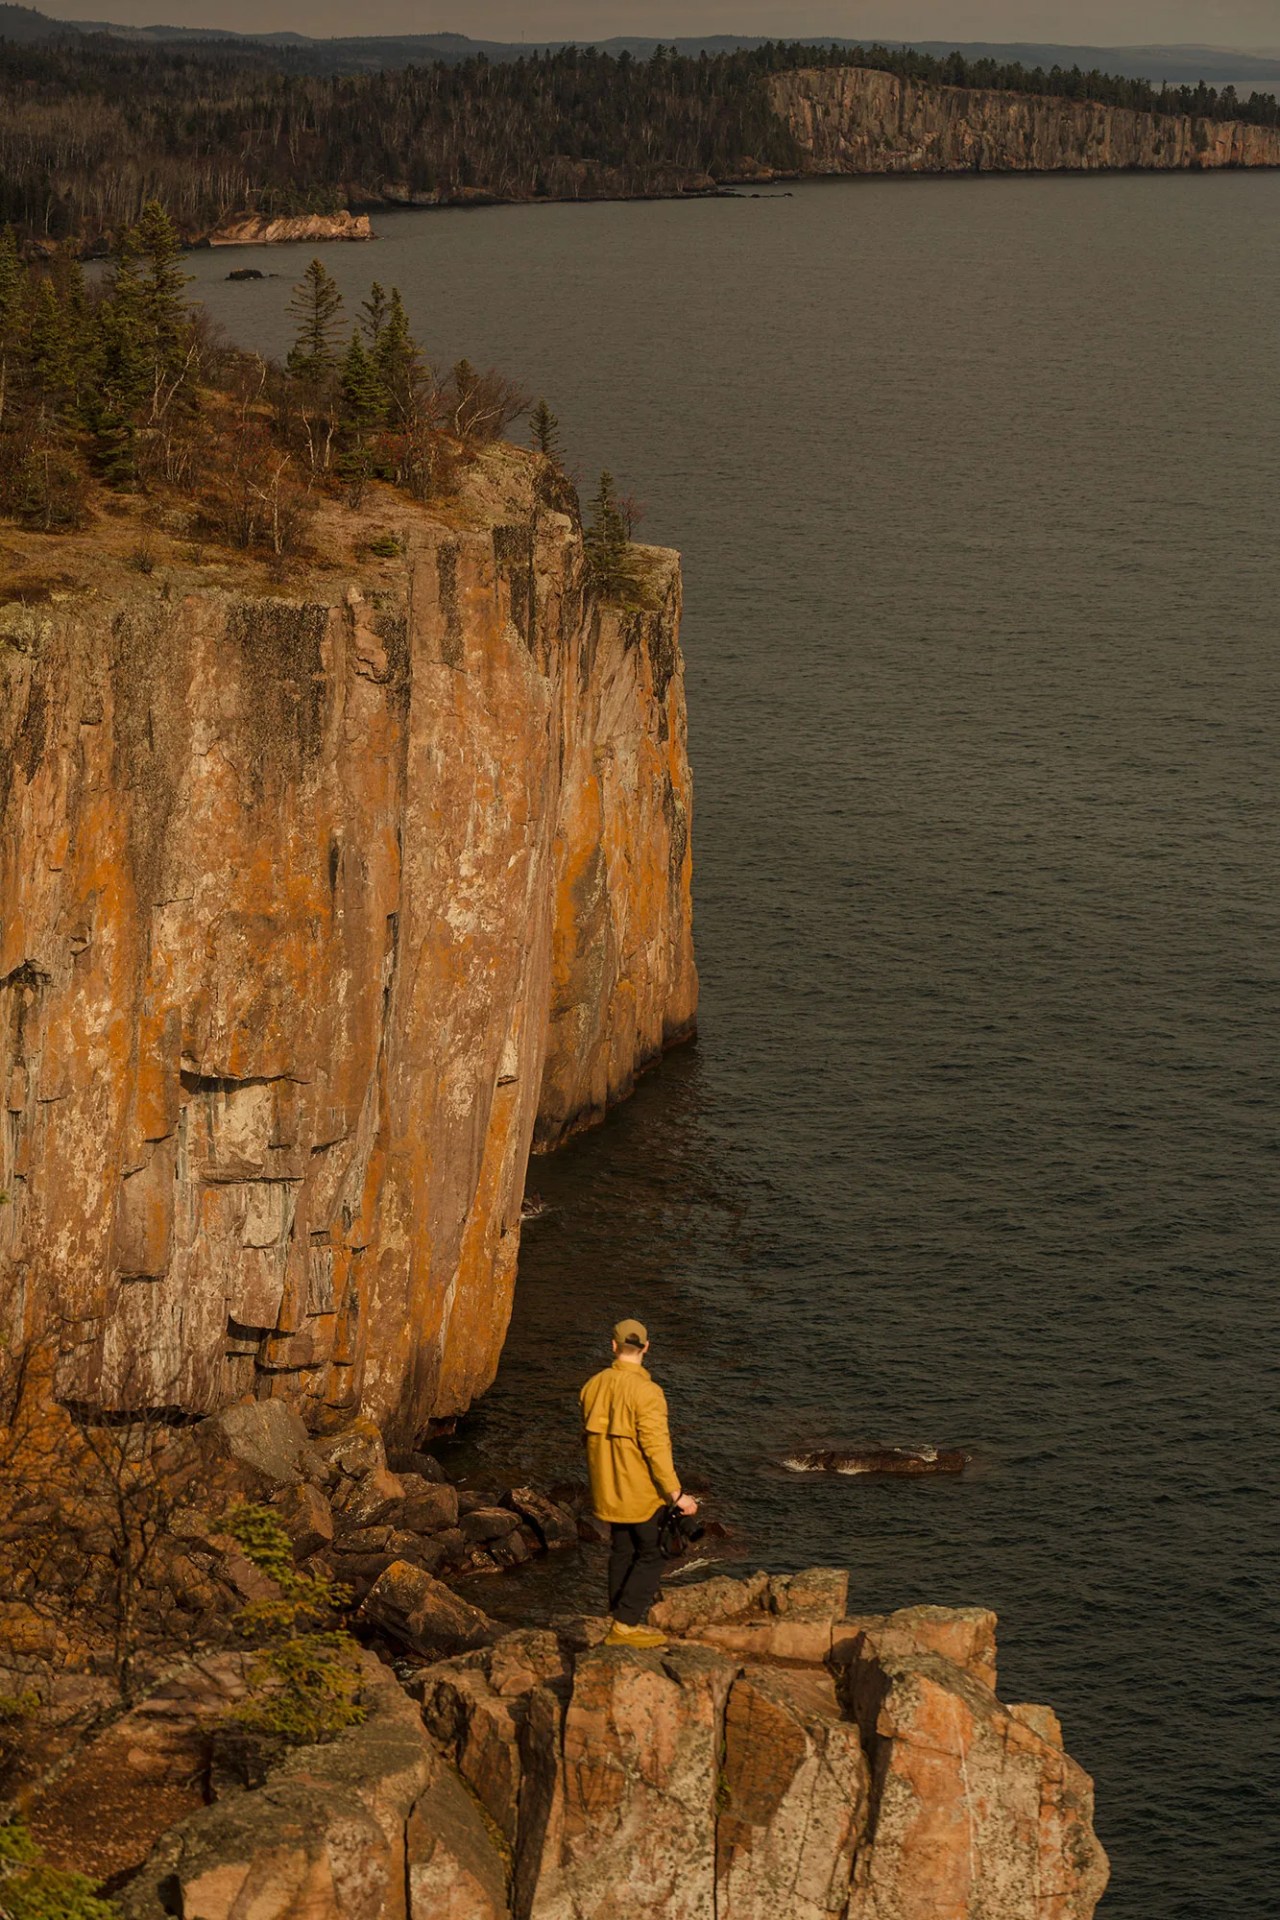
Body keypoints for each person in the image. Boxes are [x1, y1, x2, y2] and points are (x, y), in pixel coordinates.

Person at [579, 1317, 699, 1648]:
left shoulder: (592, 1386)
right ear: (646, 1347)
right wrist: (678, 1496)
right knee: (654, 1554)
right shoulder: (648, 1393)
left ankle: (618, 1621)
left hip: (608, 1491)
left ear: (613, 1346)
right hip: (642, 1493)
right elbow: (656, 1450)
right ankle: (626, 1624)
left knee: (622, 1550)